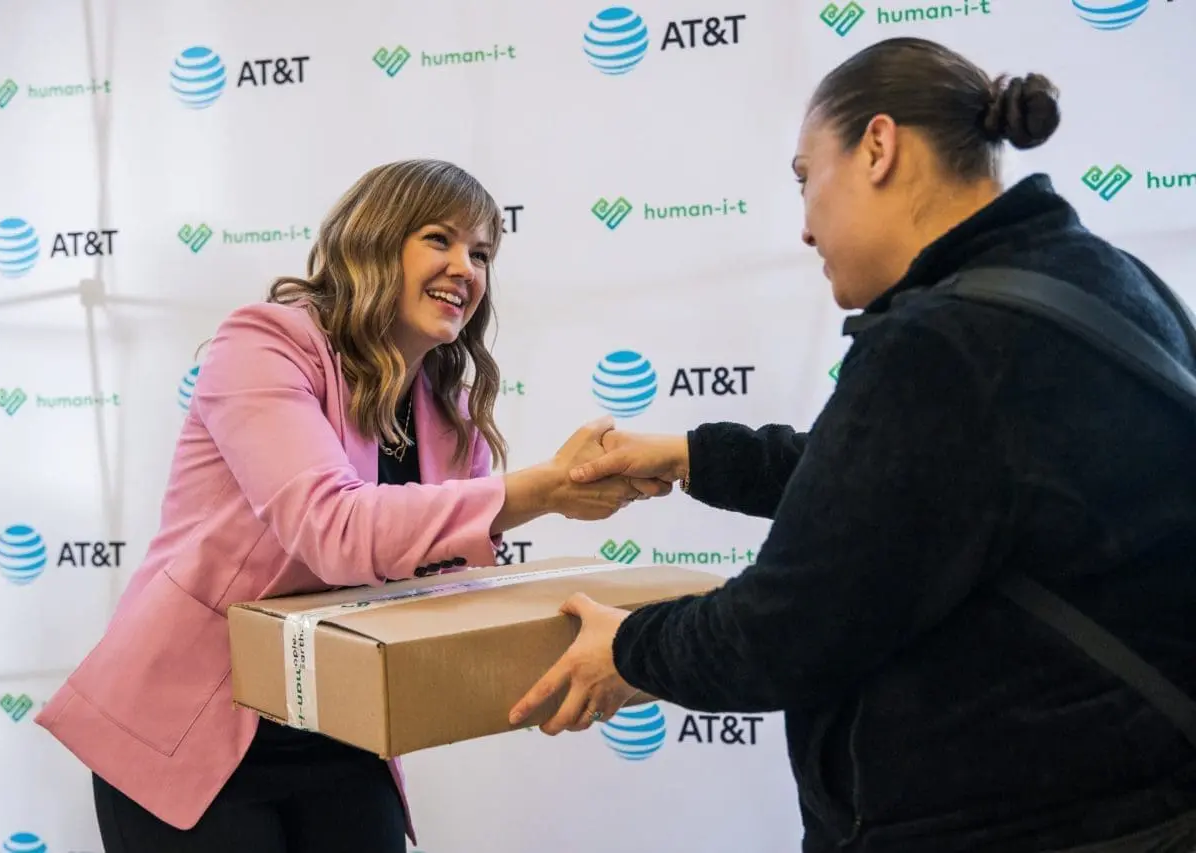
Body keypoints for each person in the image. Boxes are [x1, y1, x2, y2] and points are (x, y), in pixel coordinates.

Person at [508, 37, 1196, 853]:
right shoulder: (1106, 282)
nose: (803, 227)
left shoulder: (943, 341)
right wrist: (691, 454)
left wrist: (628, 648)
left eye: (806, 179)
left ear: (878, 146)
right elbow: (918, 490)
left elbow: (789, 627)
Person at [35, 158, 664, 853]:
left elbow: (447, 588)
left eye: (481, 252)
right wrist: (543, 490)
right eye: (440, 239)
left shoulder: (446, 406)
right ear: (374, 239)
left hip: (335, 722)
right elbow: (334, 529)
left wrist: (579, 649)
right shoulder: (267, 343)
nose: (466, 267)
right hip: (187, 729)